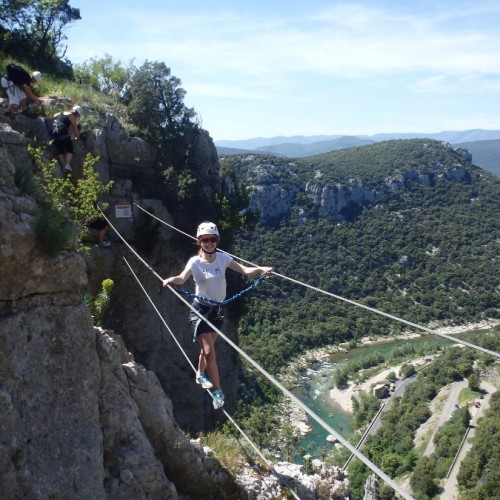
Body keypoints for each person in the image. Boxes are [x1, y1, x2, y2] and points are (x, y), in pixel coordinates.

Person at [162, 221, 272, 410]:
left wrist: (261, 269)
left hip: (218, 311)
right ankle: (219, 392)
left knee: (208, 350)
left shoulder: (223, 258)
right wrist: (171, 280)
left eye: (212, 239)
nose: (209, 243)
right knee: (208, 351)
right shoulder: (195, 262)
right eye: (205, 240)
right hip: (201, 310)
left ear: (217, 241)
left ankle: (199, 373)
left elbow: (245, 270)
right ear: (199, 241)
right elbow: (181, 278)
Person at [51, 105, 82, 174]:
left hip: (54, 131)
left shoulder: (63, 113)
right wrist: (78, 138)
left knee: (60, 150)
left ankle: (64, 166)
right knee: (69, 149)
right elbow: (75, 129)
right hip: (62, 131)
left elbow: (54, 115)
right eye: (78, 116)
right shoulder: (72, 116)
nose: (78, 117)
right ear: (77, 113)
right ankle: (67, 165)